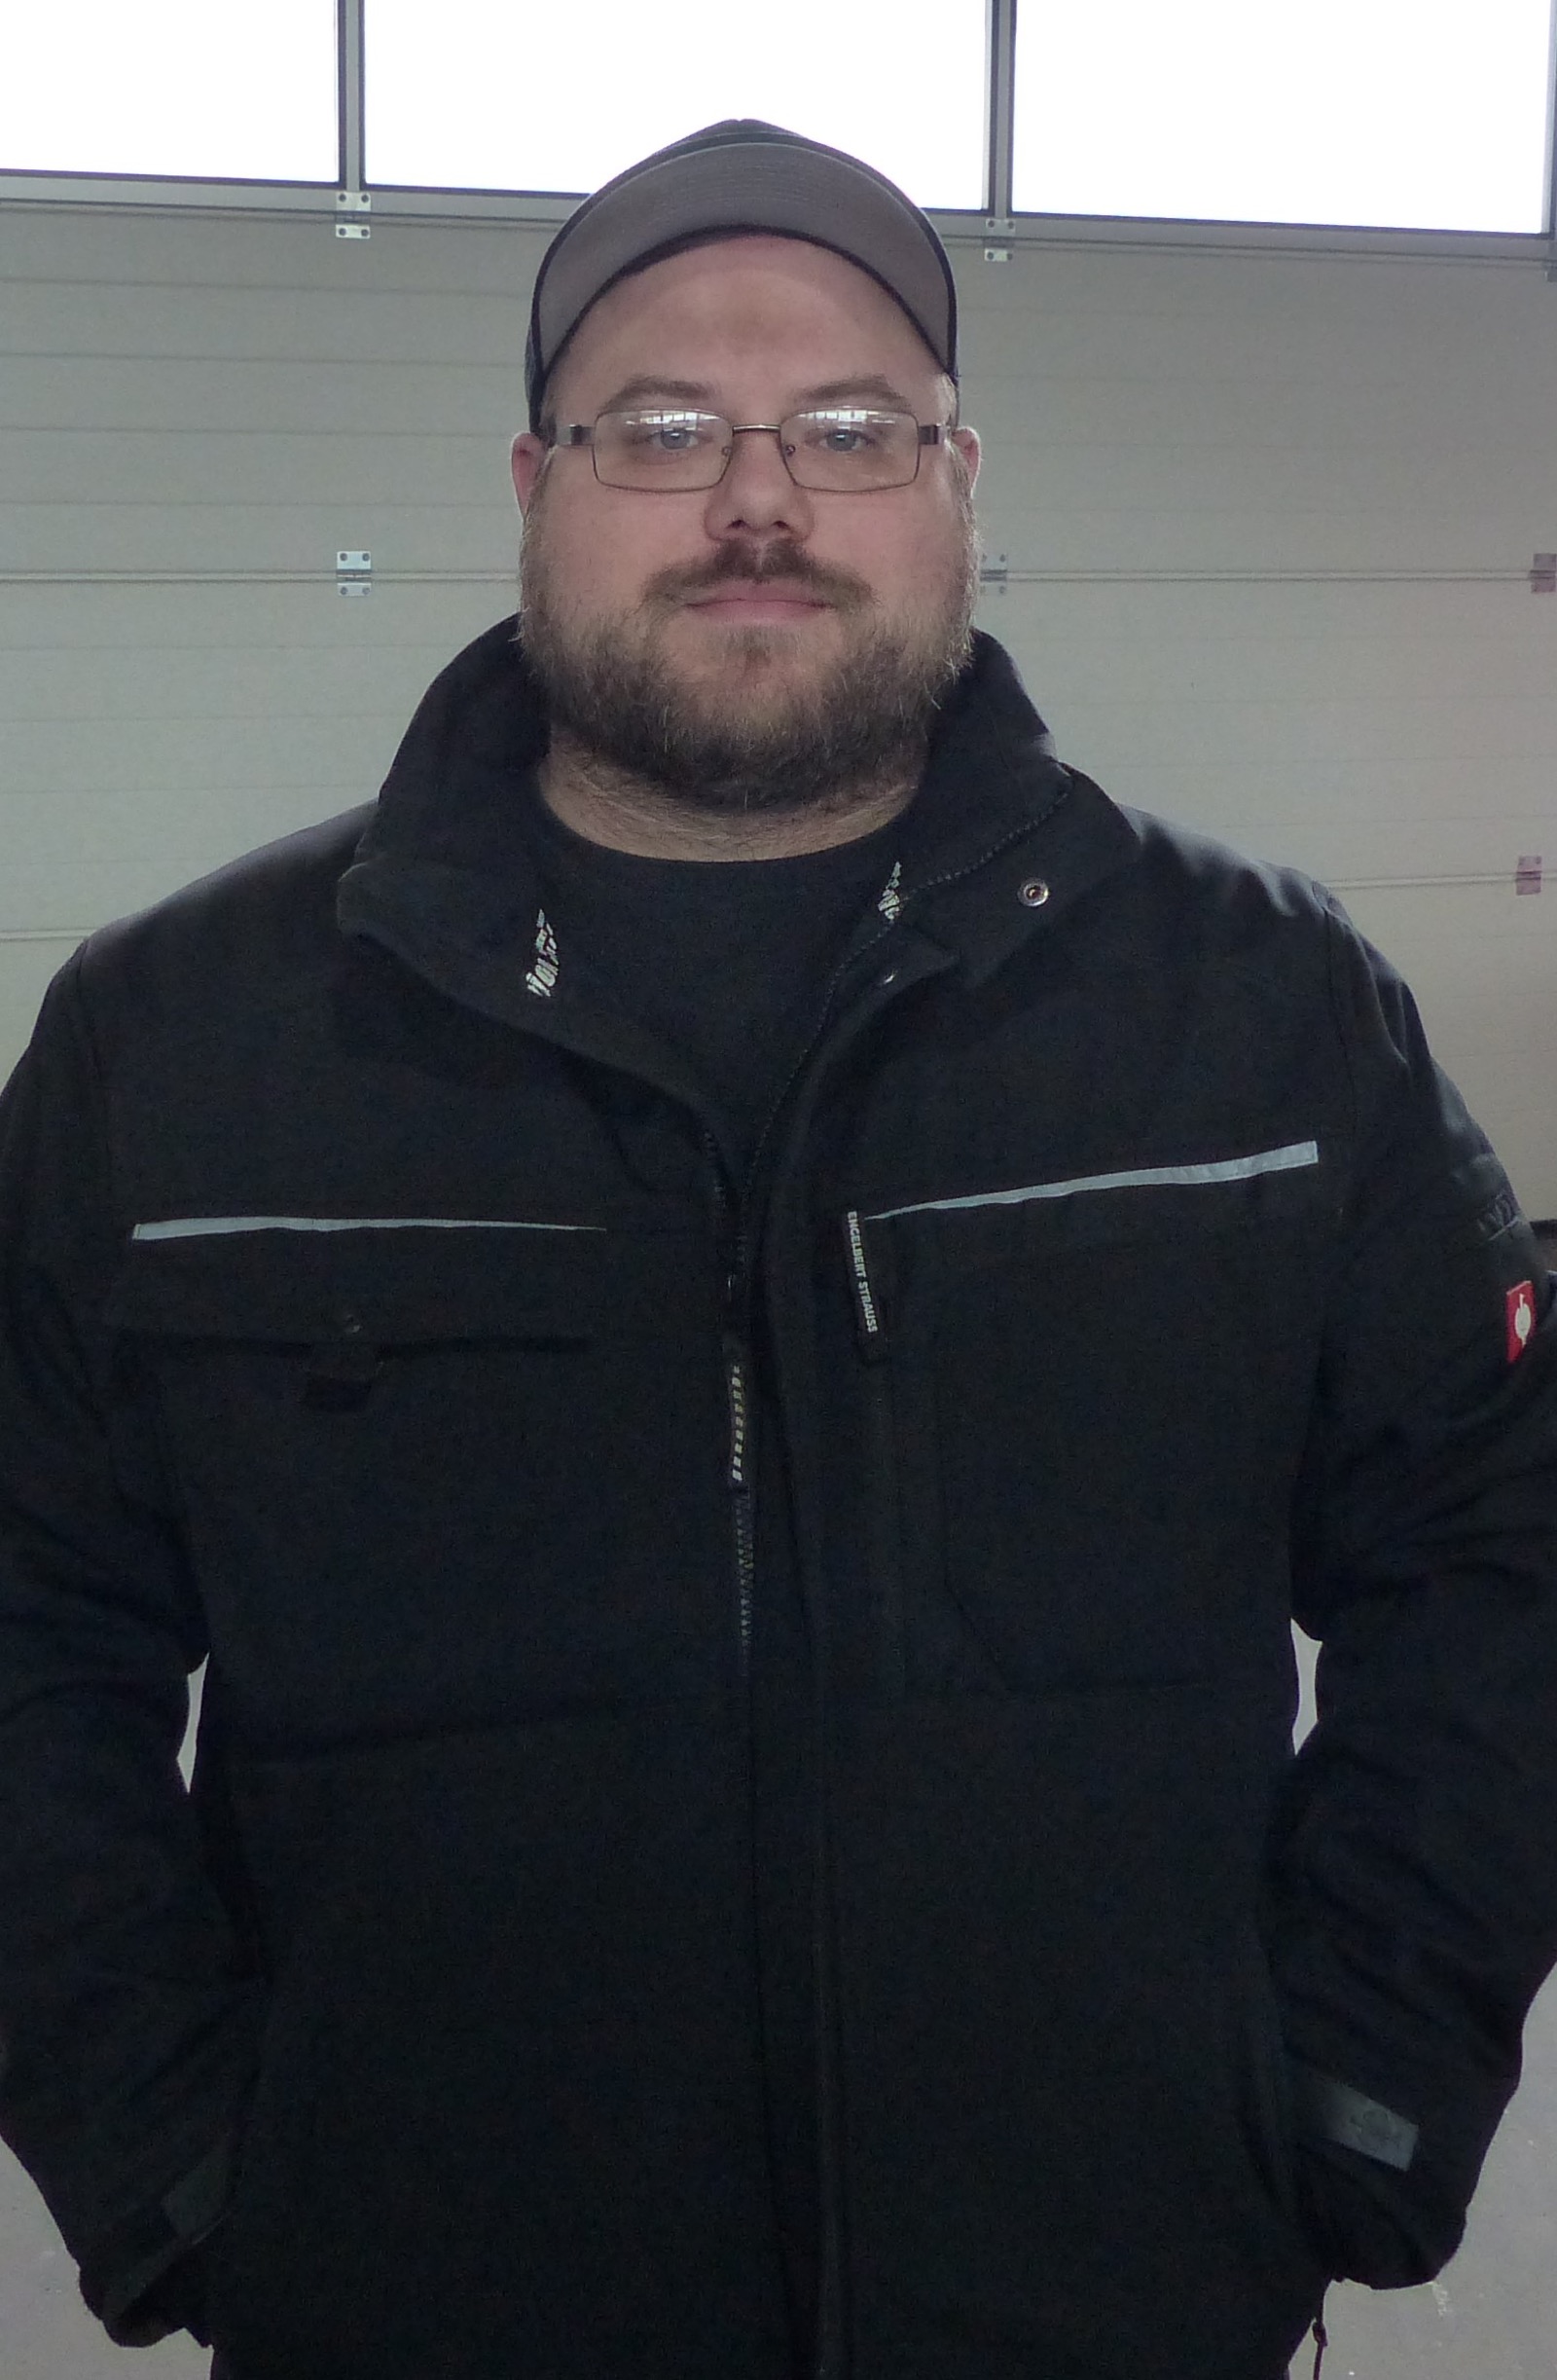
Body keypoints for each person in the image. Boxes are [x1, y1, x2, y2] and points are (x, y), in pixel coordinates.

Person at [0, 118, 1555, 2380]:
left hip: (1101, 2293)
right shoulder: (184, 1038)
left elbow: (1493, 1543)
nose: (757, 500)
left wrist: (1350, 2084)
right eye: (660, 429)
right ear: (531, 484)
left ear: (956, 481)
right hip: (422, 2303)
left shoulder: (1258, 1005)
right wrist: (178, 2157)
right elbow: (29, 1617)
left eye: (848, 427)